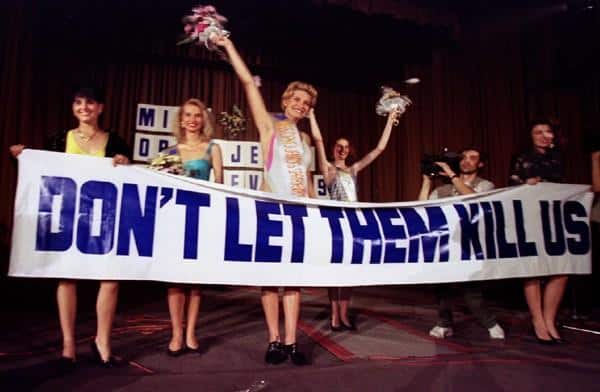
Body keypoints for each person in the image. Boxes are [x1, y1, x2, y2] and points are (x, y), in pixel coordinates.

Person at [9, 86, 130, 368]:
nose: (84, 107)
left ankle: (103, 342)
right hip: (66, 217)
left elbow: (129, 181)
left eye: (90, 102)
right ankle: (68, 346)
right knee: (67, 278)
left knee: (110, 279)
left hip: (104, 219)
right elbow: (41, 175)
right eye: (78, 102)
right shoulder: (57, 140)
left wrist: (125, 164)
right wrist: (22, 157)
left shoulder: (116, 142)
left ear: (100, 107)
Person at [213, 35, 315, 365]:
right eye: (297, 99)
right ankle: (273, 339)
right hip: (270, 211)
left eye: (308, 102)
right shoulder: (270, 125)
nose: (302, 104)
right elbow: (247, 82)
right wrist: (228, 46)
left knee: (295, 282)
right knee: (271, 280)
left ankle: (291, 341)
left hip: (299, 214)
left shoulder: (306, 140)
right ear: (285, 101)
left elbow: (309, 182)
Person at [308, 108, 401, 332]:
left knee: (350, 273)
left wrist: (390, 119)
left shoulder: (353, 170)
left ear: (349, 151)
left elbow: (379, 149)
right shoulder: (328, 169)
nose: (342, 150)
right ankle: (333, 316)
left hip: (353, 224)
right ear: (334, 149)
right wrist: (312, 115)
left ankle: (344, 314)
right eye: (338, 146)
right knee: (335, 273)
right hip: (335, 224)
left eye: (346, 147)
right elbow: (318, 140)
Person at [151, 98, 223, 356]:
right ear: (181, 120)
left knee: (195, 281)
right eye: (188, 115)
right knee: (175, 281)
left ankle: (191, 332)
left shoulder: (213, 148)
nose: (192, 119)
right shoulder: (169, 152)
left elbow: (220, 186)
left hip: (202, 219)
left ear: (203, 120)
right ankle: (176, 334)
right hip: (176, 220)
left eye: (197, 115)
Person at [418, 147, 505, 340]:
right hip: (446, 243)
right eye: (463, 157)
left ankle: (490, 322)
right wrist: (427, 180)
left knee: (471, 290)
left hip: (471, 243)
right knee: (442, 287)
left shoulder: (485, 185)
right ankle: (444, 323)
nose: (466, 160)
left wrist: (451, 174)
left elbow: (473, 197)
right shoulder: (443, 189)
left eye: (472, 157)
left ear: (480, 164)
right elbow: (421, 206)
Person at [509, 119, 565, 344]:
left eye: (547, 131)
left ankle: (550, 319)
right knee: (534, 268)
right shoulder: (523, 158)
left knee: (562, 268)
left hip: (555, 216)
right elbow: (511, 187)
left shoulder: (559, 157)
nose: (543, 135)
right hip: (531, 217)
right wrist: (527, 184)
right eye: (538, 132)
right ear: (530, 136)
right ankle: (538, 320)